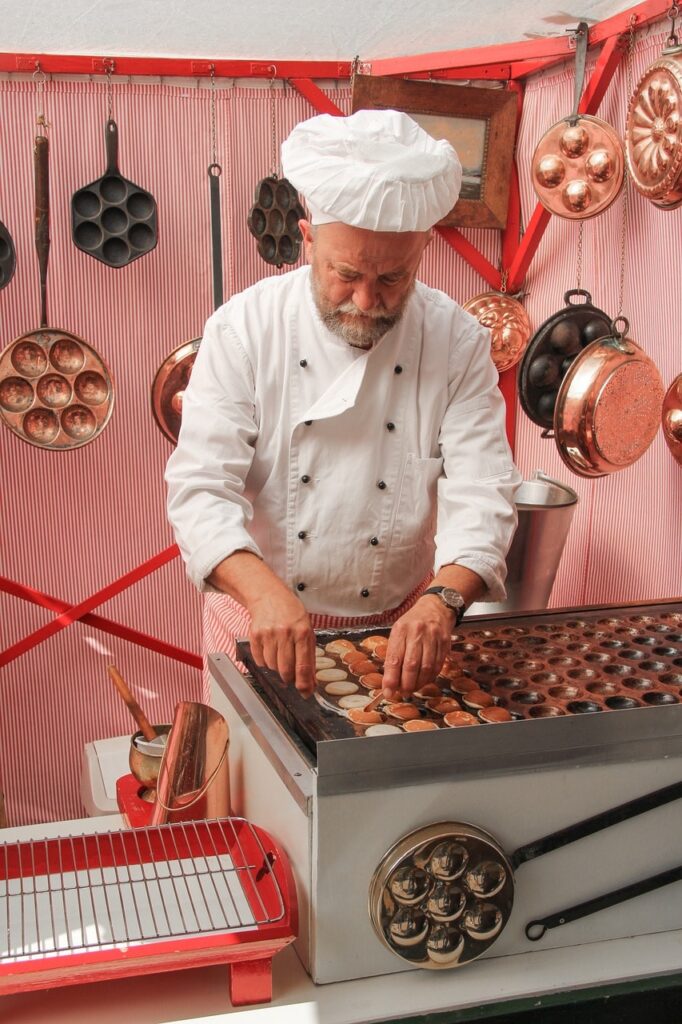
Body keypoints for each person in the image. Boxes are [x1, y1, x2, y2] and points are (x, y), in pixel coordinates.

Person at [165, 108, 522, 701]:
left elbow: (483, 487)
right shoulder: (244, 330)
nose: (365, 300)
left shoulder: (456, 341)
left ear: (422, 252)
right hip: (258, 621)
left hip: (396, 634)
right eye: (346, 274)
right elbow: (201, 489)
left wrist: (445, 598)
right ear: (308, 241)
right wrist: (260, 592)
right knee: (253, 786)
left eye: (392, 279)